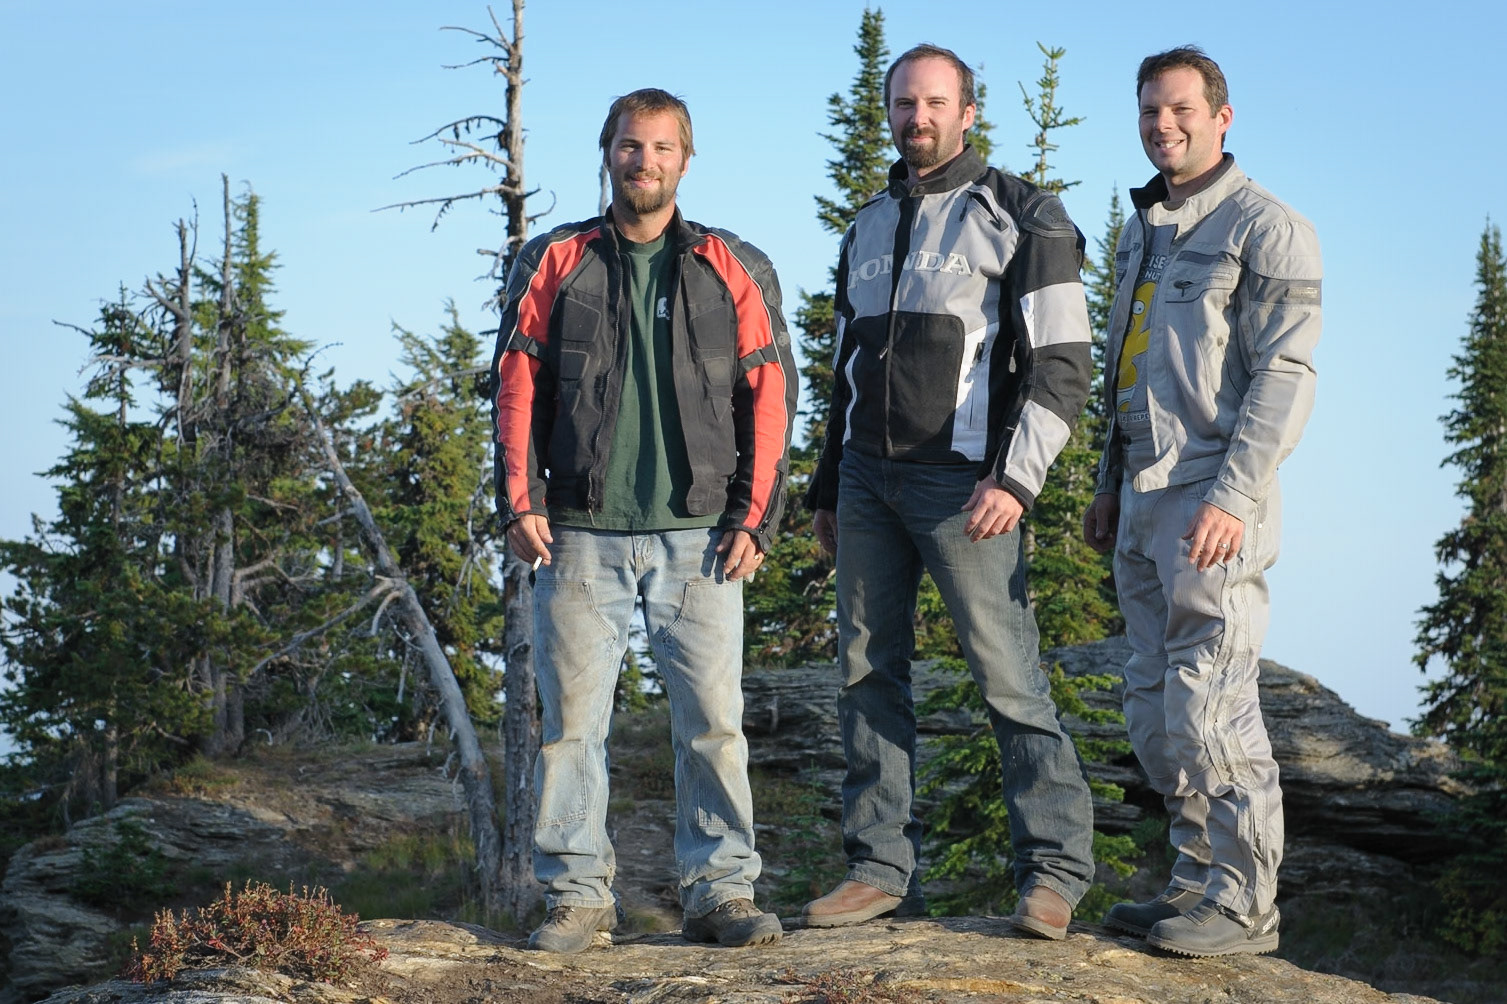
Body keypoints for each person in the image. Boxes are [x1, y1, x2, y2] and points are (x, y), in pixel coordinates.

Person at [802, 44, 1097, 940]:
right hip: (863, 483)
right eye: (902, 103)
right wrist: (823, 488)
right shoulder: (864, 224)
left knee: (1007, 680)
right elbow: (844, 368)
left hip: (965, 486)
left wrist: (1015, 477)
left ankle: (1051, 871)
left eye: (934, 103)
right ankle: (879, 869)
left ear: (968, 111)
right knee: (864, 676)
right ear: (887, 111)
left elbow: (1062, 367)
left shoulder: (1023, 215)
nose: (915, 117)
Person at [491, 88, 796, 953]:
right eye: (630, 146)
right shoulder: (556, 259)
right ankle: (577, 900)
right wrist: (518, 498)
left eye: (662, 148)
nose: (645, 162)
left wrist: (755, 516)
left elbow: (771, 392)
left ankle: (721, 894)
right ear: (607, 153)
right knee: (570, 733)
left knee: (712, 726)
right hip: (579, 531)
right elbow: (516, 383)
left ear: (684, 161)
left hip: (700, 534)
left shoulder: (731, 264)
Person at [1083, 46, 1321, 957]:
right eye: (1148, 112)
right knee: (1152, 706)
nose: (1161, 126)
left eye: (1179, 109)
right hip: (1141, 498)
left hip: (1213, 499)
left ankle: (1245, 903)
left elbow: (1284, 377)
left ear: (1223, 117)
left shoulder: (1267, 228)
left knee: (1212, 703)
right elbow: (1126, 366)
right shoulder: (1141, 228)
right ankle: (1194, 882)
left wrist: (1232, 494)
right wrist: (1107, 485)